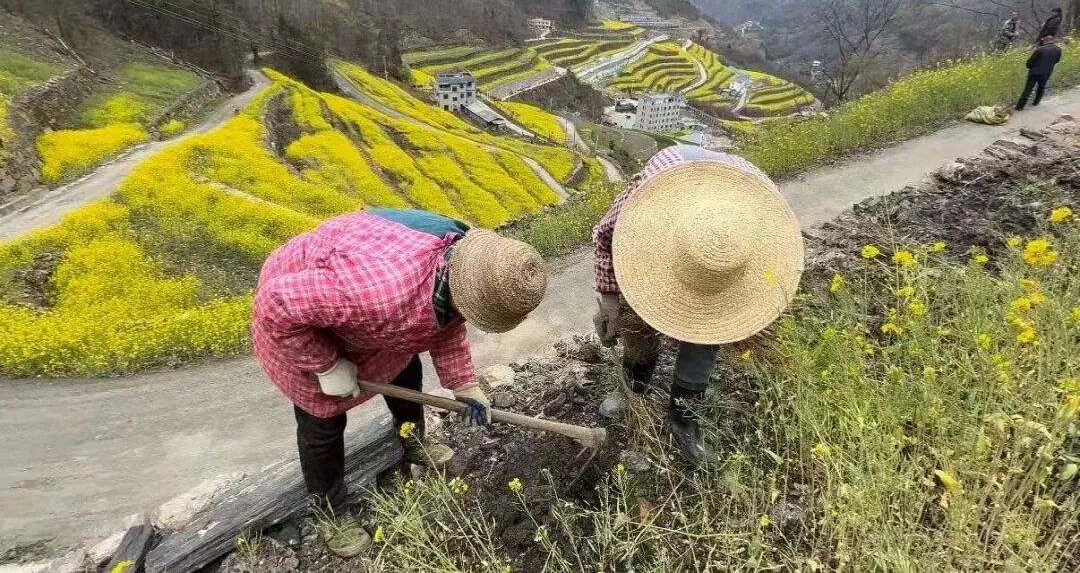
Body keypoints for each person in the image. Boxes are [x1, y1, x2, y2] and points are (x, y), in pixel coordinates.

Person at [252, 208, 547, 557]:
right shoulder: (376, 293)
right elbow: (275, 303)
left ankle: (412, 442)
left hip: (370, 322)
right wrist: (326, 365)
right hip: (298, 324)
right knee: (323, 423)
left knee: (407, 372)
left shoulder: (464, 264)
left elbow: (448, 323)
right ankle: (329, 510)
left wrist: (464, 384)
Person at [592, 146, 804, 464]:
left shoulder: (760, 212)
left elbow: (776, 270)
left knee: (709, 331)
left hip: (729, 260)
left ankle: (683, 419)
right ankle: (632, 388)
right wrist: (610, 299)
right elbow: (604, 235)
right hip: (672, 239)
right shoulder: (649, 196)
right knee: (639, 316)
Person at [1016, 36, 1063, 111]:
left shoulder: (1040, 50)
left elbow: (1030, 62)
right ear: (1052, 41)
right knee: (1041, 87)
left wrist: (1030, 66)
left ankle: (1020, 107)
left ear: (1045, 41)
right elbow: (1057, 60)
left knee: (1028, 89)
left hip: (1034, 72)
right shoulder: (1058, 49)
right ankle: (1036, 102)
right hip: (1046, 72)